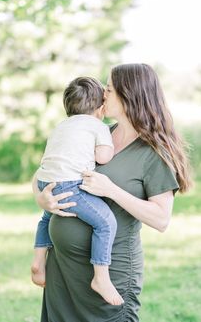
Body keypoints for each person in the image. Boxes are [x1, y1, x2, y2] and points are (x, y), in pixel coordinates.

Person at [32, 63, 191, 322]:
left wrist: (112, 191)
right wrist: (41, 197)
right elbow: (43, 172)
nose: (103, 95)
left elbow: (161, 219)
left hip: (109, 273)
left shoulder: (152, 153)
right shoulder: (99, 133)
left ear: (130, 95)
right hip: (62, 270)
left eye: (109, 89)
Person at [31, 76, 124, 306]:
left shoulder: (61, 126)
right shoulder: (97, 126)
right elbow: (103, 156)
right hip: (70, 185)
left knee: (47, 216)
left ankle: (38, 261)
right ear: (100, 106)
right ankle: (101, 278)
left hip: (46, 182)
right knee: (105, 222)